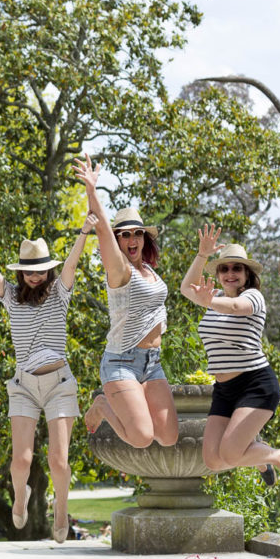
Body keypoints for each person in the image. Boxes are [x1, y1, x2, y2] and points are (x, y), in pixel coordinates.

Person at [0, 205, 96, 544]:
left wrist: (83, 233)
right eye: (28, 271)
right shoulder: (10, 297)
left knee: (58, 460)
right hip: (24, 386)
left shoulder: (59, 295)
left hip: (59, 385)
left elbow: (72, 263)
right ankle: (21, 495)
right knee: (20, 462)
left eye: (40, 271)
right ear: (20, 273)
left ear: (48, 272)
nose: (34, 276)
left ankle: (61, 510)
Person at [180, 227, 280, 491]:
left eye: (237, 268)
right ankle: (260, 459)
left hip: (255, 385)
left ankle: (279, 456)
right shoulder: (215, 298)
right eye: (224, 269)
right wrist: (202, 255)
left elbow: (236, 309)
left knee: (231, 453)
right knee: (212, 460)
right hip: (224, 390)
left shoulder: (252, 297)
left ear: (247, 275)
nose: (230, 273)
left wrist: (208, 301)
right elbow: (185, 288)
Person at [74, 154, 177, 450]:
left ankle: (119, 403)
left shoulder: (150, 272)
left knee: (168, 438)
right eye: (125, 235)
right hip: (121, 361)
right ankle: (104, 406)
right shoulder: (120, 271)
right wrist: (91, 191)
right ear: (119, 241)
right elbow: (103, 229)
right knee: (142, 438)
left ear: (144, 238)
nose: (132, 239)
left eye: (137, 234)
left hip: (152, 363)